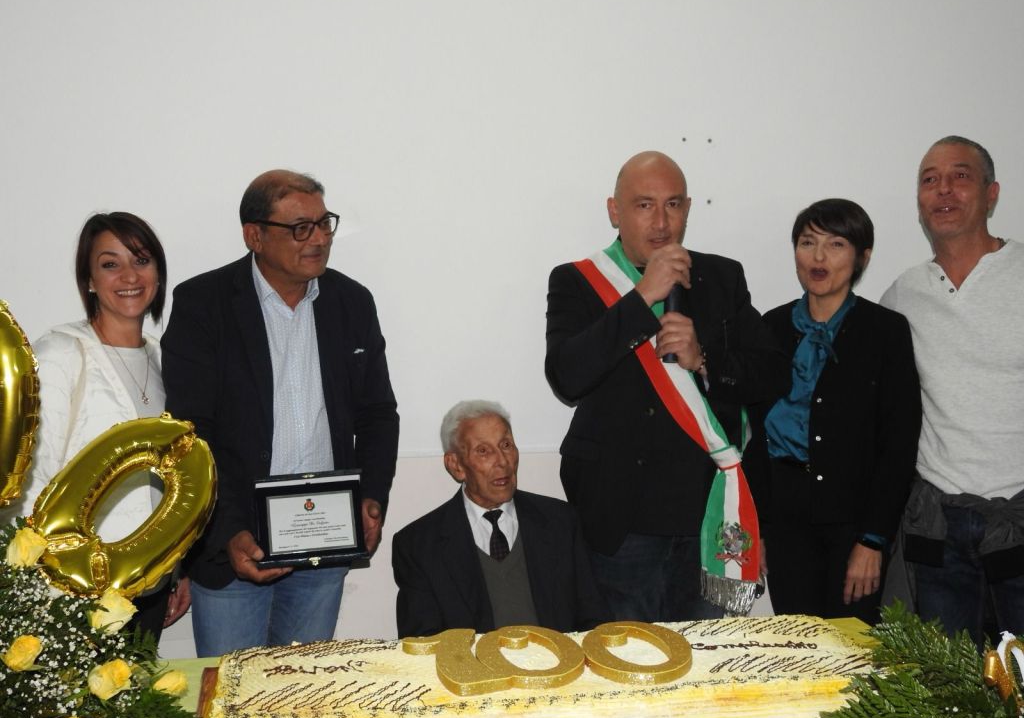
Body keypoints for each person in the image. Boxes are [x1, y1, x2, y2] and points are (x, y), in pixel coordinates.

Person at [162, 169, 399, 657]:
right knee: (232, 692)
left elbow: (378, 413)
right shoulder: (204, 303)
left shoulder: (351, 302)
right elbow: (190, 435)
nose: (319, 239)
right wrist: (226, 531)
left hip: (324, 541)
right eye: (300, 228)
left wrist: (371, 497)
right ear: (254, 236)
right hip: (236, 547)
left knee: (303, 689)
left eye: (324, 224)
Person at [545, 151, 788, 622]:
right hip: (621, 521)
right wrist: (642, 298)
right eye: (644, 205)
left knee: (709, 657)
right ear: (614, 211)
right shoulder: (576, 280)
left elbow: (772, 374)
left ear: (688, 209)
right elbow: (567, 377)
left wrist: (704, 360)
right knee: (626, 658)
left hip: (708, 514)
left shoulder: (722, 276)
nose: (661, 222)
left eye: (673, 204)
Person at [16, 212, 189, 642]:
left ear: (158, 273)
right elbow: (31, 478)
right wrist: (37, 587)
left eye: (142, 260)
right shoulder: (60, 354)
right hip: (75, 589)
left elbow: (170, 480)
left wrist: (177, 567)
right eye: (110, 264)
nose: (129, 276)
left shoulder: (165, 360)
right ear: (90, 280)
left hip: (149, 585)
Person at [880, 136, 1024, 648]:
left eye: (960, 176)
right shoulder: (902, 296)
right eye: (930, 180)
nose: (943, 190)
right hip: (938, 526)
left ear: (991, 194)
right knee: (946, 681)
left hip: (1019, 515)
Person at [760, 199, 921, 624]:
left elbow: (899, 443)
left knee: (853, 648)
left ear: (862, 257)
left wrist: (873, 540)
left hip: (855, 522)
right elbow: (752, 434)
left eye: (835, 244)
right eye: (807, 242)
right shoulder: (770, 327)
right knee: (797, 645)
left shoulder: (885, 331)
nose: (818, 257)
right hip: (784, 521)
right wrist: (756, 526)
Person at [392, 400, 608, 638]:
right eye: (483, 451)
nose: (503, 461)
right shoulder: (419, 546)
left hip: (557, 660)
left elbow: (594, 621)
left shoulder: (560, 522)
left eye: (506, 445)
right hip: (472, 663)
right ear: (456, 465)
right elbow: (423, 645)